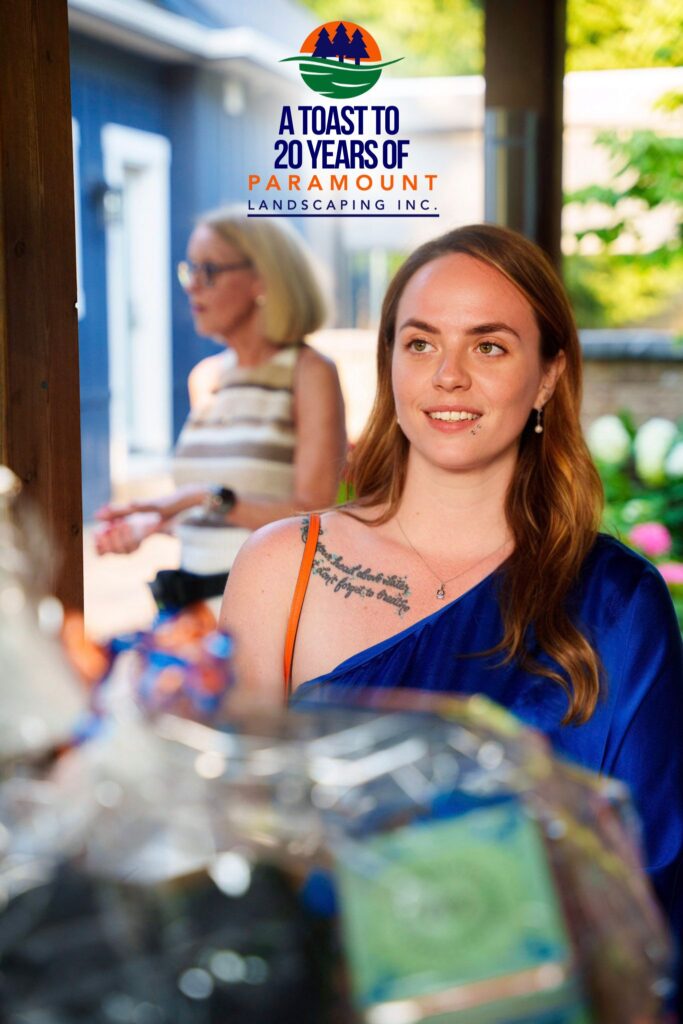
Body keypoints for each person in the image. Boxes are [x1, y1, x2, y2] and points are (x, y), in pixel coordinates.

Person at [220, 223, 682, 1005]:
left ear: (545, 376)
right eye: (421, 343)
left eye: (489, 346)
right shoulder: (281, 568)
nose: (449, 378)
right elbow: (234, 847)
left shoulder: (615, 599)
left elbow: (653, 878)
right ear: (390, 362)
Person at [94, 208, 347, 610]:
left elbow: (315, 520)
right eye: (190, 270)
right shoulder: (207, 378)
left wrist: (202, 497)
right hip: (192, 610)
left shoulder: (308, 372)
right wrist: (148, 525)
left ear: (262, 279)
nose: (193, 286)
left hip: (268, 612)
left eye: (209, 270)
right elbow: (215, 519)